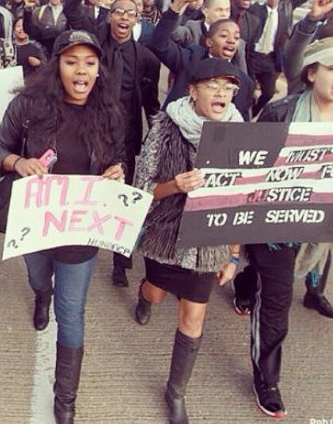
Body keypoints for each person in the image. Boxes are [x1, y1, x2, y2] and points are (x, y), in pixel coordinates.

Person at [0, 29, 125, 423]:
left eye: (89, 63)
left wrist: (117, 172)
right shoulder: (29, 105)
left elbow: (118, 159)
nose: (81, 71)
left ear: (99, 70)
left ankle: (65, 399)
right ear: (56, 67)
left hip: (80, 230)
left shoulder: (109, 111)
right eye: (71, 61)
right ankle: (39, 295)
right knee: (37, 278)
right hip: (35, 223)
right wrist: (18, 163)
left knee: (72, 311)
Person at [240, 37, 333, 418]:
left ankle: (248, 281)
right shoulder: (279, 112)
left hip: (318, 219)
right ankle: (267, 378)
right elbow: (246, 163)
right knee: (277, 302)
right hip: (274, 222)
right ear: (312, 73)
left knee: (280, 279)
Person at [133, 58, 243, 424]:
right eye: (213, 85)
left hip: (208, 241)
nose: (222, 94)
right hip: (165, 234)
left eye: (229, 88)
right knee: (157, 293)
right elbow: (141, 189)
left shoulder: (242, 134)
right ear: (192, 91)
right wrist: (175, 185)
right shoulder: (165, 127)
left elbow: (245, 200)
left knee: (193, 316)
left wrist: (233, 254)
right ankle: (144, 292)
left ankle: (176, 391)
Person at [63, 0, 161, 288]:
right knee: (86, 191)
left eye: (130, 14)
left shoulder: (145, 57)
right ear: (109, 14)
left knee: (122, 199)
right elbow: (71, 6)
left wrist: (156, 136)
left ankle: (120, 261)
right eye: (118, 11)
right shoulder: (93, 39)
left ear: (137, 21)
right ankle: (75, 249)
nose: (123, 18)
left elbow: (150, 103)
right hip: (88, 130)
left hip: (125, 138)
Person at [150, 0, 254, 120]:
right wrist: (179, 3)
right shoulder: (190, 58)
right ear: (209, 42)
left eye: (236, 37)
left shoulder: (243, 82)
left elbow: (241, 126)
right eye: (223, 36)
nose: (231, 41)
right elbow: (159, 44)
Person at [248, 0, 290, 117]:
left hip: (269, 59)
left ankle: (253, 113)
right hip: (253, 56)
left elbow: (283, 37)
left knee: (268, 93)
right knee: (248, 89)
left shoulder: (283, 16)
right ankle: (244, 113)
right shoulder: (256, 10)